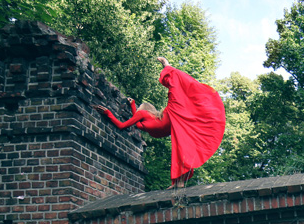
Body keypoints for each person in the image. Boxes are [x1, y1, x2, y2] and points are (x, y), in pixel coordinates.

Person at [94, 57, 226, 188]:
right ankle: (178, 182)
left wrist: (108, 113)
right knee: (180, 148)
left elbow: (122, 125)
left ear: (143, 109)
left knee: (176, 87)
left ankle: (167, 65)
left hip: (172, 113)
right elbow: (136, 121)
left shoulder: (143, 115)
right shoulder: (143, 120)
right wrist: (133, 104)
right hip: (172, 121)